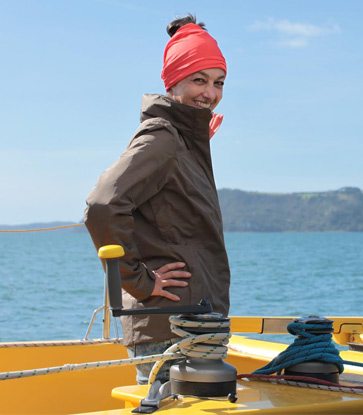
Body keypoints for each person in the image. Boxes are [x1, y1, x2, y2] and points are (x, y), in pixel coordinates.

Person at [84, 15, 231, 385]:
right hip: (171, 328)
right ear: (174, 81)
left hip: (193, 320)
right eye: (199, 80)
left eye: (218, 83)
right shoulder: (164, 137)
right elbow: (103, 205)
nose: (210, 93)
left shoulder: (187, 140)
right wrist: (140, 282)